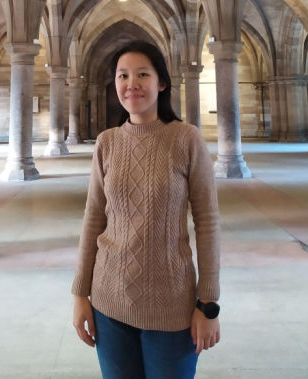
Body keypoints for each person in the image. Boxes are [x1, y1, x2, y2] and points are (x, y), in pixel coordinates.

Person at [72, 40, 221, 379]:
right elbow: (94, 218)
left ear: (161, 82)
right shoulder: (107, 142)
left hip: (171, 305)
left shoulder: (186, 139)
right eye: (123, 75)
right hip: (109, 302)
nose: (131, 84)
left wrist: (208, 303)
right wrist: (80, 293)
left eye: (142, 74)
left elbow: (208, 222)